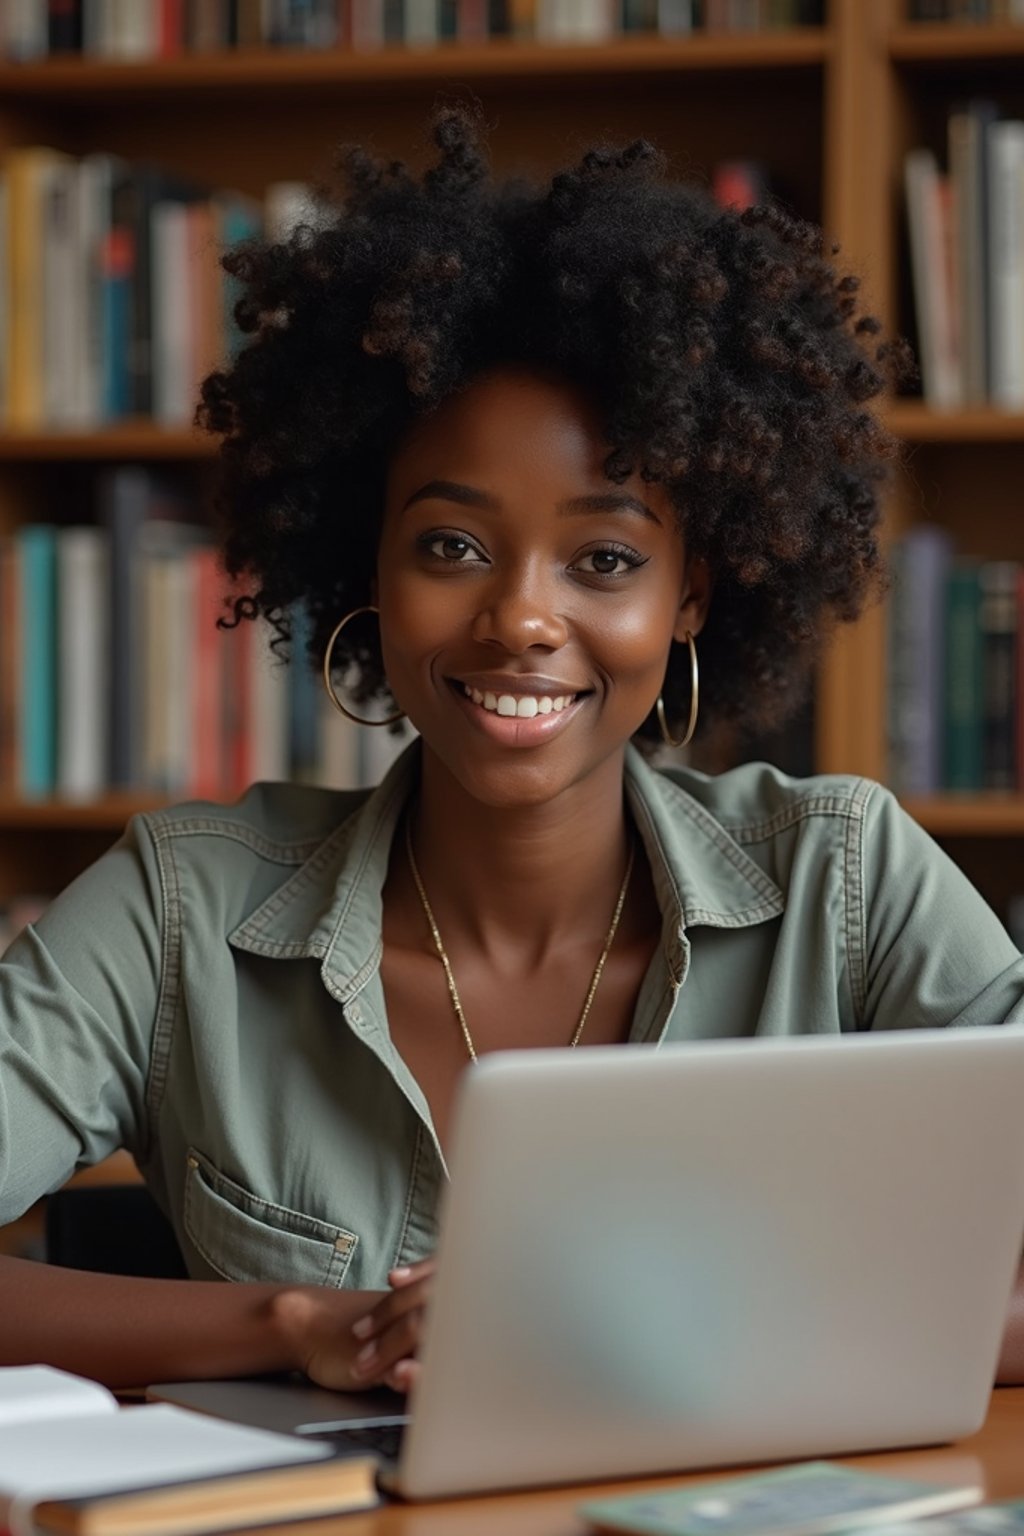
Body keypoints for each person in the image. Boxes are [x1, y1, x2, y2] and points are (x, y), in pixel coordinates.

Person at [1, 106, 1023, 1394]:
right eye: (451, 546)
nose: (523, 618)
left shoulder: (850, 883)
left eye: (605, 559)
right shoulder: (180, 910)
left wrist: (691, 1323)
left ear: (692, 595)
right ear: (365, 561)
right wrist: (303, 1328)